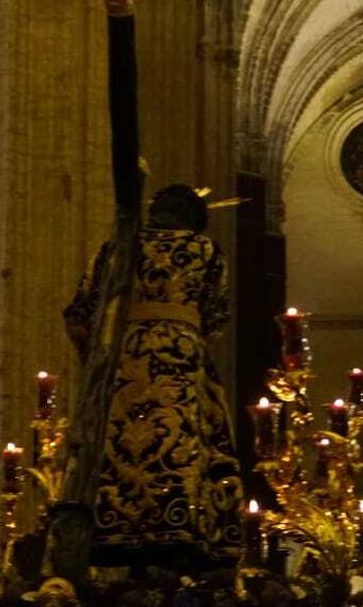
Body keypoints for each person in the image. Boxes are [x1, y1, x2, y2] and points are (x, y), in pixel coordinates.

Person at [64, 183, 244, 568]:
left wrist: (98, 360)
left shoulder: (114, 249)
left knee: (113, 445)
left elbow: (79, 315)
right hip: (181, 366)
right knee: (186, 442)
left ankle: (108, 523)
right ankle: (184, 524)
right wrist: (183, 333)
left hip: (124, 365)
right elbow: (216, 318)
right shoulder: (207, 251)